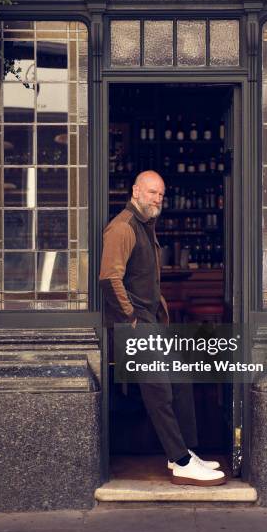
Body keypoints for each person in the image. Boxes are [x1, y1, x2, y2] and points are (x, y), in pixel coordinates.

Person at [99, 170, 226, 486]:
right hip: (135, 326)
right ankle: (181, 461)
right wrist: (132, 320)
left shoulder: (144, 225)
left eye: (161, 194)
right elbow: (109, 279)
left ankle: (183, 452)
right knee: (160, 390)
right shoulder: (123, 228)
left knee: (180, 380)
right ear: (135, 191)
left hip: (150, 323)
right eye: (152, 192)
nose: (157, 198)